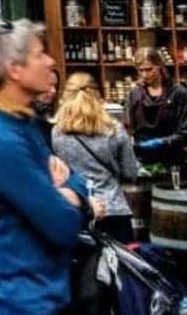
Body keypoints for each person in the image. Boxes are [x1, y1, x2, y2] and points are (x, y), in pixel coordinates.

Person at [0, 19, 97, 315]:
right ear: (14, 69)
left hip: (11, 301)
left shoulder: (17, 119)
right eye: (40, 54)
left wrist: (68, 189)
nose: (51, 62)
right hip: (17, 311)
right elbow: (63, 225)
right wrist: (77, 198)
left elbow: (67, 174)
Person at [51, 72, 139, 243]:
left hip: (77, 210)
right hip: (113, 210)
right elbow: (130, 173)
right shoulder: (114, 129)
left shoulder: (57, 132)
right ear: (97, 94)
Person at [127, 48, 187, 165]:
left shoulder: (178, 93)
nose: (145, 74)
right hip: (143, 160)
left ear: (159, 65)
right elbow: (129, 127)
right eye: (141, 70)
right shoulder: (135, 95)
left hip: (172, 159)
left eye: (149, 69)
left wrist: (161, 142)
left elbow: (185, 132)